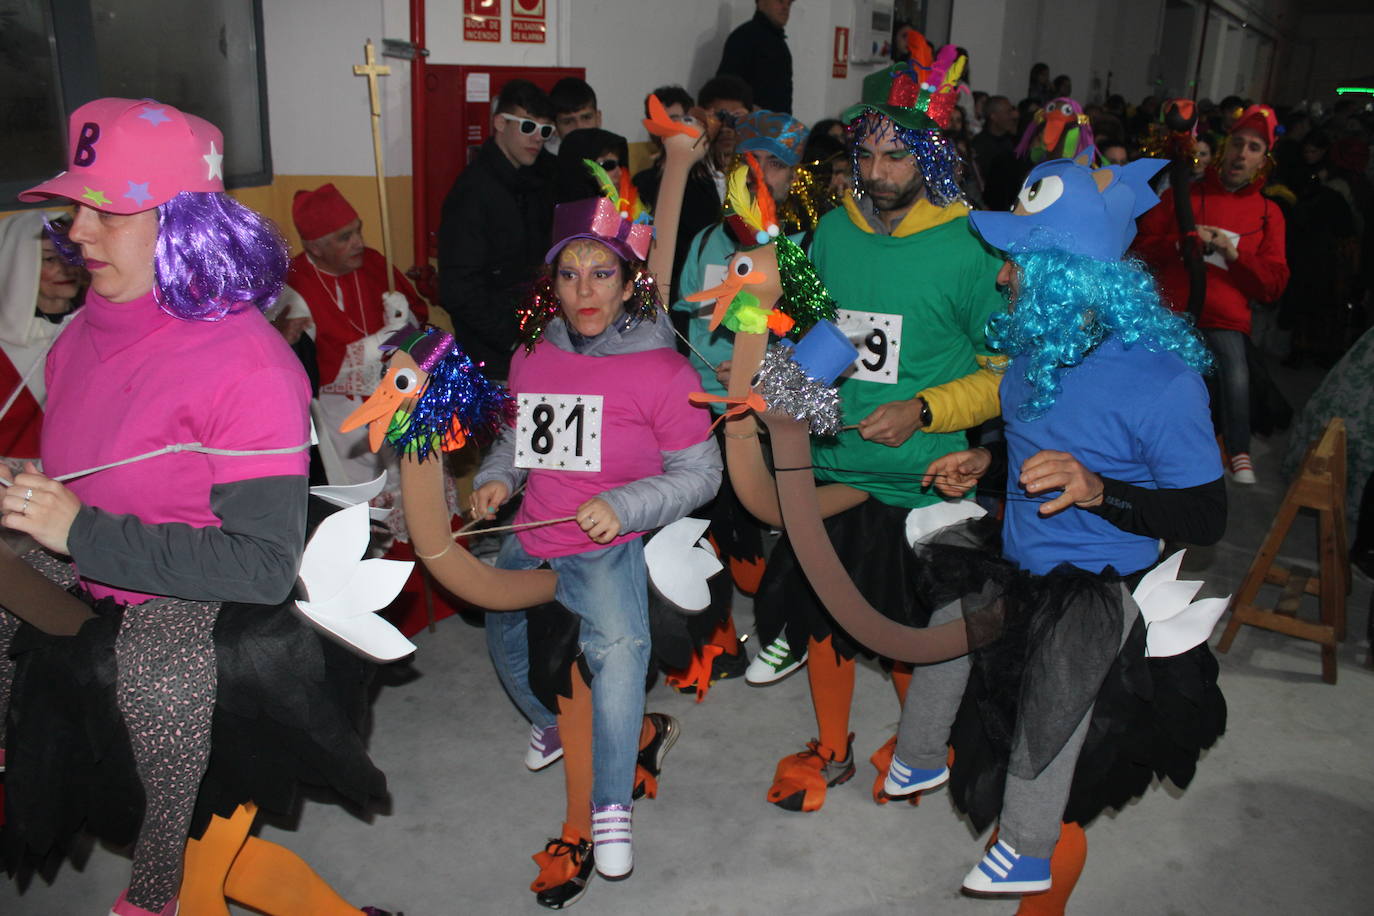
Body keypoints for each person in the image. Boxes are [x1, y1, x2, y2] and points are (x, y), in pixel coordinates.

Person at [3, 97, 392, 916]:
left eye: (107, 211)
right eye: (75, 207)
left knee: (187, 872)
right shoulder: (80, 333)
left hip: (210, 656)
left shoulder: (245, 365)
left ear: (184, 225)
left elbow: (258, 564)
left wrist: (77, 528)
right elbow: (107, 465)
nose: (76, 232)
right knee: (226, 863)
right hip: (93, 614)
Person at [883, 157, 1226, 911]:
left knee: (1055, 710)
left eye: (1018, 263)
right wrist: (984, 458)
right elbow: (1030, 446)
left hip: (1100, 592)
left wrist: (1101, 491)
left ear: (1069, 274)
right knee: (947, 615)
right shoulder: (1034, 355)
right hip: (1017, 566)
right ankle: (916, 756)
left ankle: (1028, 849)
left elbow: (1206, 517)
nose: (1003, 279)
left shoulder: (1163, 382)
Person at [752, 35, 1008, 813]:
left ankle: (918, 741)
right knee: (826, 619)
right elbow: (813, 332)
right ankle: (831, 747)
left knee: (907, 632)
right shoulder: (831, 231)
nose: (878, 171)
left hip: (922, 479)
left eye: (898, 155)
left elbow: (1005, 380)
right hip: (830, 471)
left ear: (933, 154)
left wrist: (924, 410)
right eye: (867, 153)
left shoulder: (973, 244)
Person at [471, 197, 721, 887]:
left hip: (608, 544)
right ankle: (548, 723)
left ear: (629, 280)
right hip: (534, 530)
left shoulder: (664, 369)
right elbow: (517, 439)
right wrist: (497, 479)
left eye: (602, 274)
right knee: (504, 639)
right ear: (550, 284)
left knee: (618, 651)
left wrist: (625, 504)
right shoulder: (534, 351)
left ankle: (611, 805)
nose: (585, 291)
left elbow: (702, 472)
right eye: (570, 275)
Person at [672, 110, 810, 689]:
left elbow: (819, 339)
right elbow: (680, 330)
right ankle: (718, 637)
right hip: (700, 416)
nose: (759, 175)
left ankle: (785, 627)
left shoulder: (803, 248)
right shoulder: (706, 239)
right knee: (706, 529)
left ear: (795, 176)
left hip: (767, 419)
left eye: (776, 165)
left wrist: (763, 367)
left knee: (780, 526)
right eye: (747, 162)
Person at [1135, 104, 1290, 484]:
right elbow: (1140, 246)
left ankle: (1238, 448)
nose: (1242, 153)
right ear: (1225, 147)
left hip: (1224, 317)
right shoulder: (1182, 196)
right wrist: (1177, 245)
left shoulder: (1270, 213)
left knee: (1235, 372)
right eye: (1238, 143)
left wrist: (1234, 254)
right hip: (1173, 312)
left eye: (1254, 147)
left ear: (1263, 159)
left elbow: (1273, 283)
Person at [273, 184, 426, 489]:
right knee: (363, 496)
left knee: (411, 487)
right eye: (345, 237)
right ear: (315, 247)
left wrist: (405, 317)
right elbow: (315, 371)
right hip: (342, 415)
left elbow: (419, 327)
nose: (359, 243)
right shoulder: (295, 284)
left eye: (358, 231)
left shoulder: (373, 262)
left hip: (397, 398)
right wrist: (383, 338)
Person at [438, 79, 556, 378]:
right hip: (492, 358)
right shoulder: (473, 192)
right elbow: (458, 288)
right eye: (528, 127)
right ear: (500, 123)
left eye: (545, 131)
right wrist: (512, 339)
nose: (537, 138)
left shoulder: (533, 182)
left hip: (530, 345)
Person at [0, 211, 82, 480]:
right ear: (19, 265)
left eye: (70, 254)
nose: (66, 267)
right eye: (49, 258)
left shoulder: (94, 332)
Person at [717, 0, 793, 114]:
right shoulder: (743, 37)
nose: (786, 8)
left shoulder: (780, 44)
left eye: (789, 3)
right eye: (780, 1)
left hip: (775, 127)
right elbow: (725, 89)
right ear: (761, 2)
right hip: (749, 126)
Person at [973, 94, 1025, 211]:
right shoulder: (979, 145)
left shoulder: (1013, 142)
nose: (1013, 116)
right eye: (1008, 112)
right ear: (994, 117)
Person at [548, 77, 602, 155]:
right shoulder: (538, 163)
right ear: (554, 127)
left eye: (586, 118)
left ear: (598, 119)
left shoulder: (617, 154)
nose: (579, 127)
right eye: (568, 122)